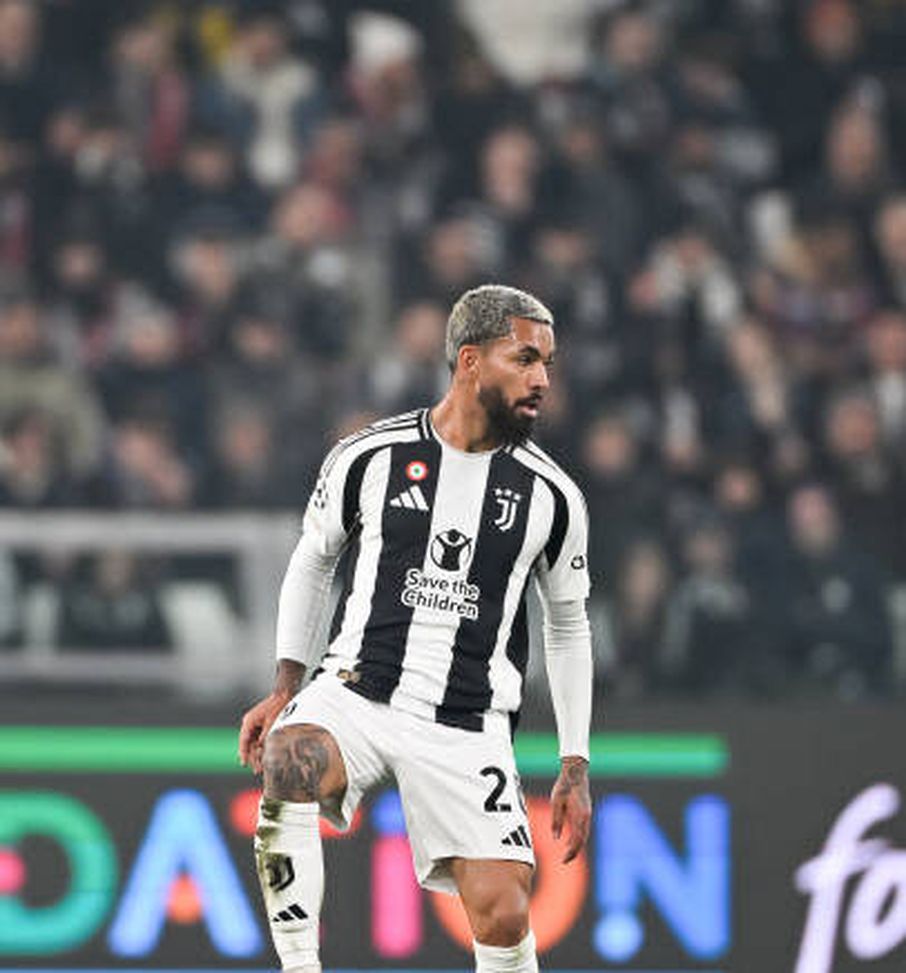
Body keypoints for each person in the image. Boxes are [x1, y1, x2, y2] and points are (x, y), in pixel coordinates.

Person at [238, 284, 593, 973]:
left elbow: (569, 622)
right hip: (357, 692)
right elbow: (313, 560)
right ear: (469, 361)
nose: (542, 380)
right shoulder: (369, 456)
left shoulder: (551, 495)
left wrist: (574, 761)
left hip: (468, 721)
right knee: (290, 758)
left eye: (546, 363)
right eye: (524, 359)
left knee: (505, 909)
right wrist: (286, 685)